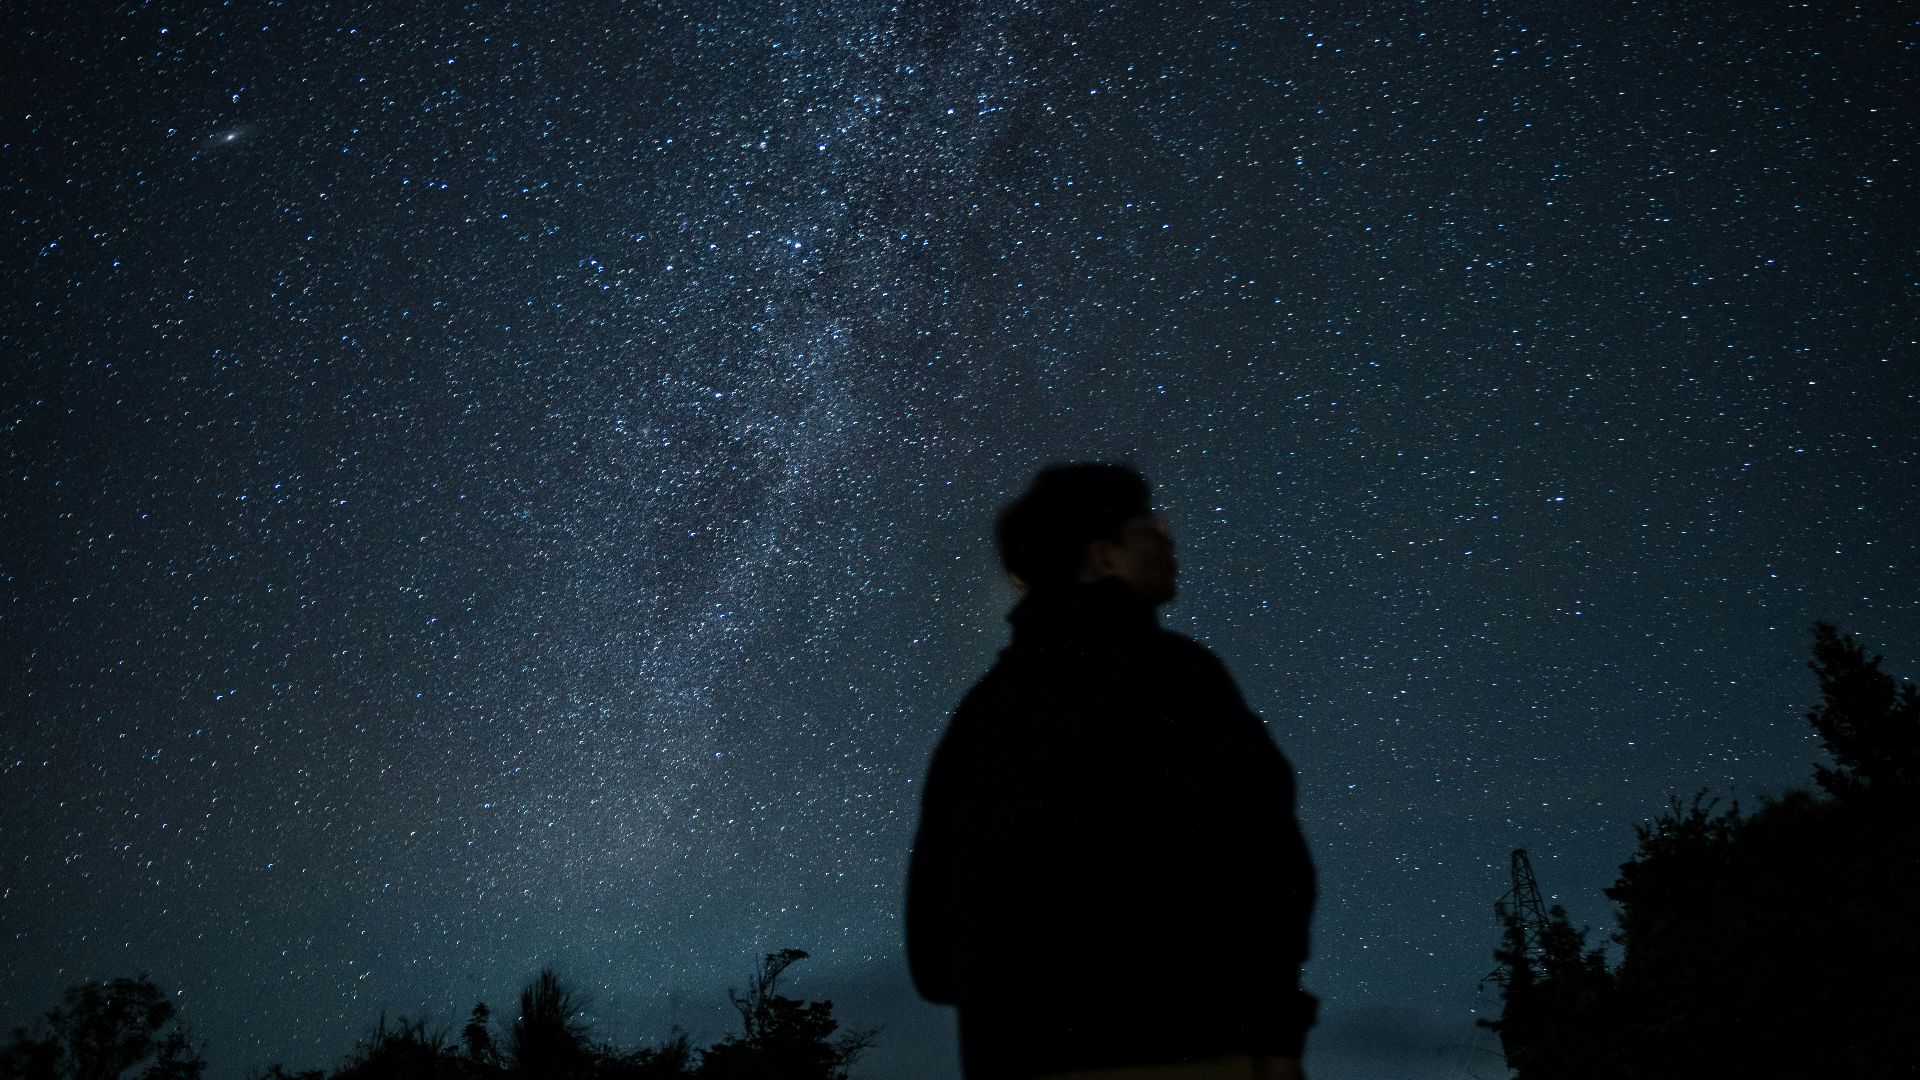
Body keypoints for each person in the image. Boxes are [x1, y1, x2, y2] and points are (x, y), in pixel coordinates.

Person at [907, 463, 1317, 1080]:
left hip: (1011, 1056)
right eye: (1149, 524)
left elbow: (936, 926)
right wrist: (1275, 1027)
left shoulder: (981, 716)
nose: (1167, 536)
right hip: (1182, 1049)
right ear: (1102, 557)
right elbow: (1252, 861)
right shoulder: (1172, 679)